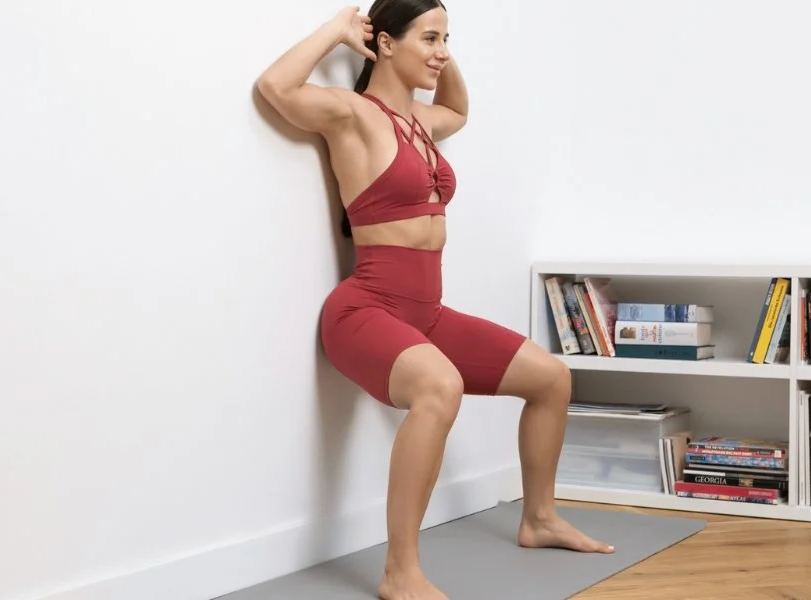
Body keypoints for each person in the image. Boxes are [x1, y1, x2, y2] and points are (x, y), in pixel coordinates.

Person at [256, 2, 614, 598]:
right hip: (366, 309)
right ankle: (400, 571)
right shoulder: (353, 114)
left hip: (427, 314)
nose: (443, 51)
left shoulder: (421, 121)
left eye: (447, 38)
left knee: (551, 377)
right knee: (440, 387)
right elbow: (276, 86)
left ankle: (540, 518)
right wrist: (339, 31)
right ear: (385, 44)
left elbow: (458, 110)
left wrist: (437, 48)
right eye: (429, 38)